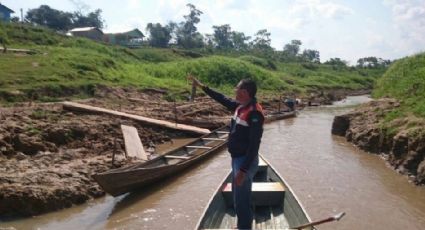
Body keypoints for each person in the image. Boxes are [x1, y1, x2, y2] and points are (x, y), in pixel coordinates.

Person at [188, 75, 264, 229]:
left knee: (242, 199)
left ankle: (244, 227)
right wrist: (202, 86)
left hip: (244, 161)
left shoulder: (254, 113)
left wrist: (243, 170)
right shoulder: (240, 106)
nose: (235, 91)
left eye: (237, 88)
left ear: (245, 92)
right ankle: (242, 225)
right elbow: (221, 98)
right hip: (237, 158)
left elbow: (254, 145)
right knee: (238, 198)